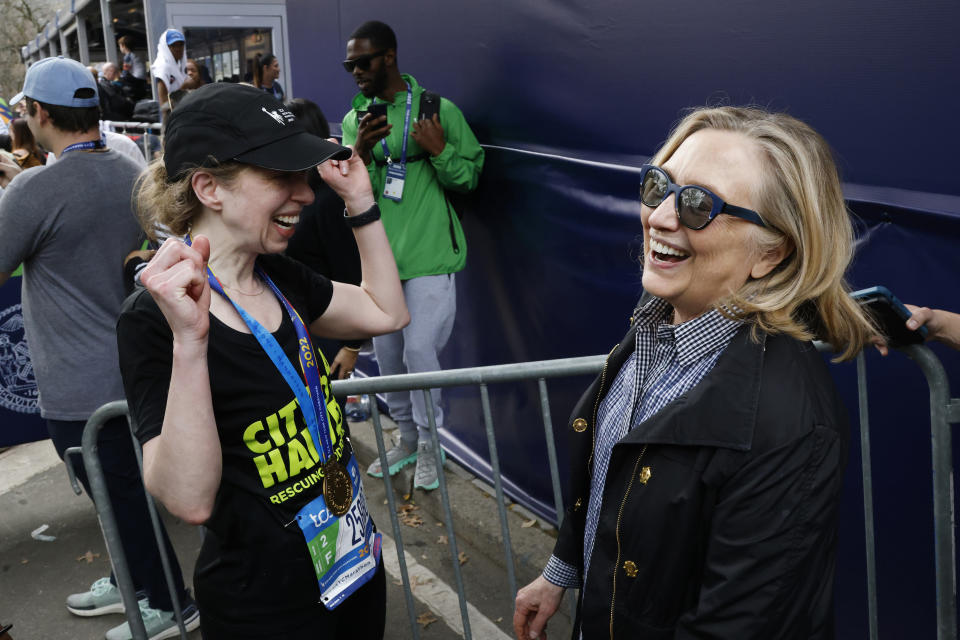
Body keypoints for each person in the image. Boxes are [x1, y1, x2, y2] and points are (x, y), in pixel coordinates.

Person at [513, 106, 878, 639]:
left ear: (771, 254)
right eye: (660, 185)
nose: (660, 216)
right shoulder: (655, 327)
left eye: (698, 204)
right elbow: (610, 487)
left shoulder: (793, 427)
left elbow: (735, 627)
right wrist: (560, 573)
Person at [117, 82, 408, 638]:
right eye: (281, 176)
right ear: (209, 187)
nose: (304, 193)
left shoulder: (278, 276)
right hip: (264, 612)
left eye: (304, 175)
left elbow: (385, 312)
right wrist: (191, 340)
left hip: (353, 575)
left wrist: (362, 204)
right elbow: (188, 499)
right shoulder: (152, 318)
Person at [0, 56, 198, 640]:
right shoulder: (130, 165)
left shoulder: (37, 187)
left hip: (79, 384)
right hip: (132, 365)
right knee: (120, 487)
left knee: (120, 490)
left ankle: (169, 600)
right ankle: (132, 579)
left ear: (39, 114)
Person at [341, 20, 484, 490]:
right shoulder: (354, 118)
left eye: (363, 62)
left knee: (419, 349)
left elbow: (470, 177)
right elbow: (349, 190)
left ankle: (429, 443)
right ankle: (404, 437)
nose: (356, 72)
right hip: (381, 261)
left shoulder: (437, 110)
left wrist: (439, 150)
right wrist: (359, 150)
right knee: (387, 355)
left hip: (430, 256)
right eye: (349, 65)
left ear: (388, 56)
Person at [285, 97, 364, 379]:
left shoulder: (329, 200)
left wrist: (352, 346)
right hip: (298, 329)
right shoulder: (294, 192)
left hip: (328, 336)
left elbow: (351, 271)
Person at [150, 29, 196, 115]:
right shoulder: (163, 68)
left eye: (181, 45)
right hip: (172, 121)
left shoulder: (179, 67)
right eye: (173, 45)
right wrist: (184, 86)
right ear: (166, 47)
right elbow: (164, 105)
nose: (178, 49)